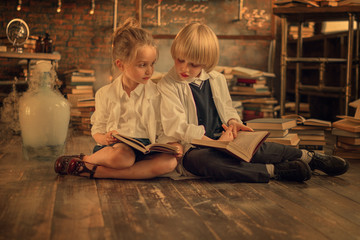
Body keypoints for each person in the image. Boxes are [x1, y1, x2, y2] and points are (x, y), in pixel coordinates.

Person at [157, 22, 349, 183]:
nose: (184, 68)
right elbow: (176, 126)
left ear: (206, 62)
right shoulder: (167, 84)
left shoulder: (217, 79)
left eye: (193, 64)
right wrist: (213, 143)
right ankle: (275, 171)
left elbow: (227, 108)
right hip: (196, 147)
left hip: (225, 138)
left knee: (261, 148)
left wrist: (233, 122)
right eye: (180, 60)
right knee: (206, 162)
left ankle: (310, 158)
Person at [54, 18, 182, 179]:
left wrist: (172, 145)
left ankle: (96, 171)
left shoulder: (157, 94)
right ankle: (85, 159)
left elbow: (163, 131)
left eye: (152, 64)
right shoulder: (105, 94)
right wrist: (105, 138)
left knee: (169, 163)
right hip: (117, 150)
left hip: (146, 150)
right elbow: (97, 130)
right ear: (121, 65)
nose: (150, 71)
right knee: (123, 158)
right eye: (142, 65)